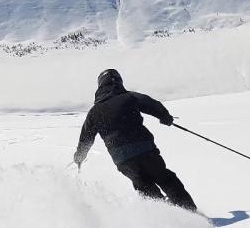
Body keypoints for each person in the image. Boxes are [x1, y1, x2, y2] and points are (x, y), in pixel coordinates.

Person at [74, 69, 197, 211]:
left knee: (144, 186)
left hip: (122, 159)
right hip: (145, 149)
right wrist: (165, 117)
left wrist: (79, 157)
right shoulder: (129, 97)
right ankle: (189, 211)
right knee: (164, 178)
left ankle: (165, 217)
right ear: (119, 82)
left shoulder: (94, 113)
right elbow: (152, 104)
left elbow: (85, 139)